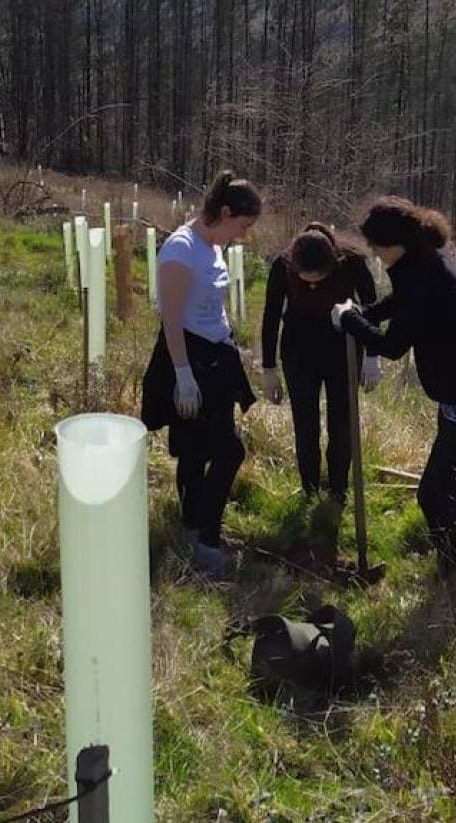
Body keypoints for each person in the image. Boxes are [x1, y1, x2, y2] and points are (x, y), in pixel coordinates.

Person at [331, 197, 456, 579]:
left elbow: (392, 347)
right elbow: (403, 302)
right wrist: (368, 311)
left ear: (393, 244)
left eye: (377, 247)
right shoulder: (425, 261)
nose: (376, 255)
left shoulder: (420, 275)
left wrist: (350, 320)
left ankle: (450, 570)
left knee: (432, 493)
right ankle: (452, 561)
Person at [140, 172, 264, 577]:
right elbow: (172, 319)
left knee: (198, 450)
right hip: (188, 358)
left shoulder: (213, 246)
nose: (242, 236)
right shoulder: (180, 251)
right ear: (225, 213)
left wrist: (232, 344)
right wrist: (183, 374)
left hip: (216, 359)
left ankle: (193, 524)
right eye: (242, 227)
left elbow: (212, 304)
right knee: (229, 451)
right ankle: (207, 540)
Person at [260, 223, 381, 503]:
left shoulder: (352, 262)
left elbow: (373, 306)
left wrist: (373, 356)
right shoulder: (282, 265)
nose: (312, 284)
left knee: (342, 422)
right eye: (306, 280)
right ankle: (310, 489)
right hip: (298, 349)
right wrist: (269, 370)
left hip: (343, 348)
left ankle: (338, 490)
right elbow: (271, 317)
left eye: (319, 279)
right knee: (305, 422)